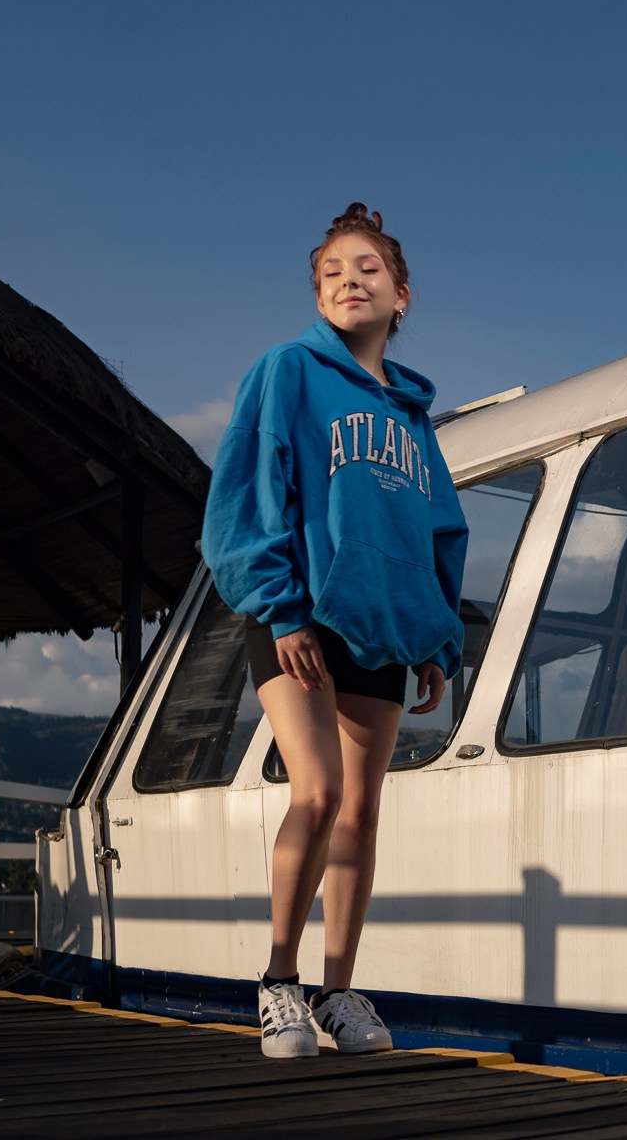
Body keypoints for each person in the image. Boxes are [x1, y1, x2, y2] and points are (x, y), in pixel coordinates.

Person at [200, 202, 468, 1059]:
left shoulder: (414, 416)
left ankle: (340, 990)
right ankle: (279, 980)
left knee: (361, 809)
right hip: (296, 614)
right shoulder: (287, 372)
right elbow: (244, 496)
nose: (349, 282)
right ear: (318, 298)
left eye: (367, 270)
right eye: (331, 274)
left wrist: (434, 636)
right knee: (313, 791)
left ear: (403, 295)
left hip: (382, 628)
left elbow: (436, 531)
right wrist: (279, 606)